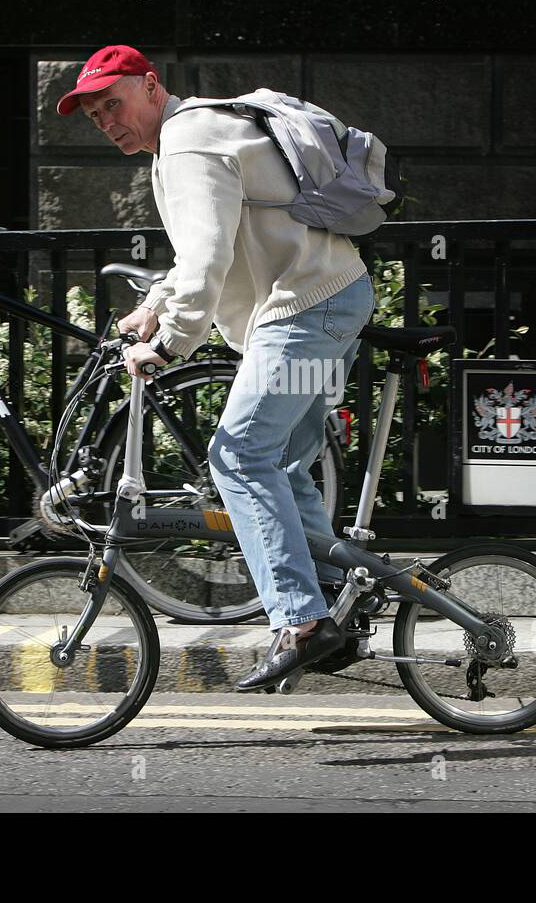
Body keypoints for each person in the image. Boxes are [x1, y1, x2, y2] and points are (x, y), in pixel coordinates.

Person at [58, 44, 374, 690]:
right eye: (95, 117)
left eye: (113, 103)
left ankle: (302, 621)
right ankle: (337, 600)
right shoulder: (190, 133)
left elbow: (206, 260)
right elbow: (208, 246)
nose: (108, 121)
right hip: (331, 297)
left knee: (236, 455)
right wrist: (155, 303)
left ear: (150, 86)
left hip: (306, 308)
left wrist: (169, 342)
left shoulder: (186, 142)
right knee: (283, 463)